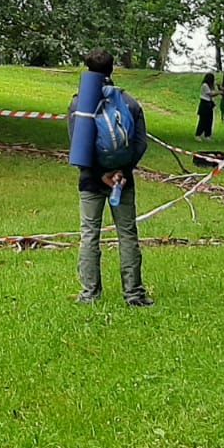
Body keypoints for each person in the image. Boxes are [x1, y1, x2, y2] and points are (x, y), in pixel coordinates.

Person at [69, 50, 153, 307]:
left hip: (91, 180)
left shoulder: (79, 104)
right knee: (127, 235)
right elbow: (140, 143)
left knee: (89, 235)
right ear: (111, 69)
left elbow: (77, 144)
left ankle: (89, 294)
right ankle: (134, 294)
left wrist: (99, 174)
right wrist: (121, 172)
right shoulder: (129, 102)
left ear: (87, 69)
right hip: (122, 181)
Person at [195, 73, 220, 138]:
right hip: (204, 103)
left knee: (209, 120)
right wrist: (219, 92)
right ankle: (198, 134)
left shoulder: (210, 86)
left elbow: (213, 93)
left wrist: (217, 89)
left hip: (209, 103)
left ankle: (207, 135)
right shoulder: (205, 85)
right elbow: (210, 94)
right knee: (203, 120)